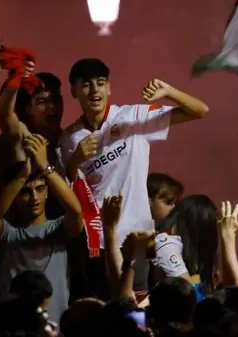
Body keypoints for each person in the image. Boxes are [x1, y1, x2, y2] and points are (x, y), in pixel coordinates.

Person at [58, 58, 208, 293]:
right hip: (96, 241)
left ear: (109, 88)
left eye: (100, 82)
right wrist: (76, 158)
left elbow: (200, 110)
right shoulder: (69, 139)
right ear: (74, 91)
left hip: (137, 237)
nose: (94, 89)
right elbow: (68, 190)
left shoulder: (132, 117)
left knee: (136, 312)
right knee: (105, 314)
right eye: (86, 84)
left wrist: (168, 91)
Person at [0, 134, 83, 321]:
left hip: (55, 327)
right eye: (26, 192)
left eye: (40, 189)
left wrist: (44, 166)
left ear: (47, 193)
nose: (35, 198)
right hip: (15, 331)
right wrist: (23, 175)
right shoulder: (7, 235)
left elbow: (76, 212)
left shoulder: (59, 229)